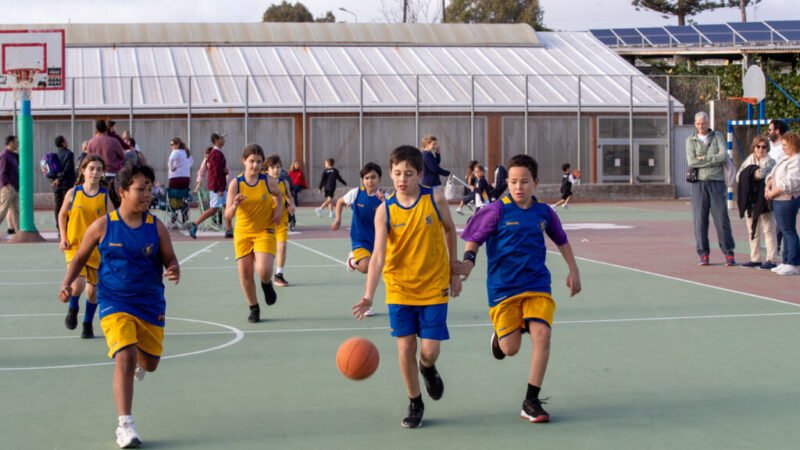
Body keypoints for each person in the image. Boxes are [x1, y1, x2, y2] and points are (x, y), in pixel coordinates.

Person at [58, 162, 180, 449]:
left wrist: (174, 269)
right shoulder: (103, 226)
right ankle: (125, 425)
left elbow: (170, 259)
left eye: (150, 189)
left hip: (149, 303)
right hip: (114, 301)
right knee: (124, 356)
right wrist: (66, 282)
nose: (148, 194)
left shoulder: (156, 227)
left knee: (149, 363)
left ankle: (141, 361)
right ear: (123, 191)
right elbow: (78, 258)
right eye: (141, 189)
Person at [459, 154, 582, 424]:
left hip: (537, 284)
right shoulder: (496, 211)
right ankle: (502, 336)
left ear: (535, 183)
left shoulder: (544, 213)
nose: (518, 187)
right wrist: (468, 263)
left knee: (542, 334)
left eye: (524, 182)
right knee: (511, 348)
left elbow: (561, 240)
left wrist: (574, 270)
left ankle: (531, 400)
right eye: (512, 182)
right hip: (504, 289)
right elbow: (474, 240)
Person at [352, 145, 461, 429]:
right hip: (399, 288)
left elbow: (450, 230)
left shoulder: (434, 198)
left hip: (434, 285)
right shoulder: (384, 211)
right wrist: (368, 294)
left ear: (420, 175)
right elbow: (377, 257)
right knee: (405, 348)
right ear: (390, 173)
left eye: (409, 174)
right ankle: (415, 401)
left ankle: (428, 367)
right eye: (397, 173)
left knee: (430, 350)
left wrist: (454, 271)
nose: (402, 179)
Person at [225, 144, 283, 323]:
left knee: (264, 270)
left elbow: (279, 196)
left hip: (264, 230)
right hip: (242, 233)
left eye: (259, 162)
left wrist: (278, 210)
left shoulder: (268, 181)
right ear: (244, 161)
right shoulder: (236, 183)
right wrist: (235, 205)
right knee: (245, 274)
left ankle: (266, 284)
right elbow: (227, 215)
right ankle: (254, 307)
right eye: (251, 161)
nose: (255, 165)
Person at [58, 154, 110, 339]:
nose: (95, 173)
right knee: (78, 284)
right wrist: (63, 237)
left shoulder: (105, 197)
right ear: (83, 171)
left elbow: (111, 221)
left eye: (99, 169)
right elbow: (62, 215)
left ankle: (87, 323)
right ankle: (73, 308)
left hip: (96, 250)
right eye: (92, 169)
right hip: (75, 246)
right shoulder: (73, 193)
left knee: (93, 292)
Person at [332, 162, 384, 316]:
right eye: (366, 178)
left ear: (379, 179)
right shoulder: (356, 193)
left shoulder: (385, 198)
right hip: (360, 240)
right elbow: (340, 202)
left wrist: (385, 203)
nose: (370, 181)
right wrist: (338, 219)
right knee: (368, 267)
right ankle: (367, 303)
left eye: (373, 177)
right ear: (362, 180)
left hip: (379, 242)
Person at [686, 111, 736, 266]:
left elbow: (723, 156)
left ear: (708, 123)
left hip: (716, 182)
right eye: (698, 123)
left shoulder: (718, 136)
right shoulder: (690, 140)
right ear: (695, 124)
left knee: (721, 219)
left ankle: (728, 252)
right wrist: (712, 161)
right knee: (699, 220)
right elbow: (692, 161)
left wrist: (704, 159)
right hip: (698, 184)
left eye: (704, 123)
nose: (701, 126)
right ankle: (703, 254)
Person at [735, 136, 778, 270]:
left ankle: (771, 259)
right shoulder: (749, 159)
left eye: (764, 147)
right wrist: (749, 174)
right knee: (752, 230)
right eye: (758, 146)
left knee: (769, 229)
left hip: (765, 200)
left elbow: (762, 174)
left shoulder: (771, 161)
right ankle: (755, 258)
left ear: (767, 148)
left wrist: (748, 174)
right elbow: (738, 176)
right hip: (750, 200)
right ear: (753, 147)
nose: (760, 149)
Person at [765, 131, 800, 276]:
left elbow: (791, 182)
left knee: (789, 231)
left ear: (793, 144)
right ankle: (786, 261)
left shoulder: (797, 160)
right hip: (778, 199)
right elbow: (773, 172)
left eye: (786, 145)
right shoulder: (785, 158)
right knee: (785, 231)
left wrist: (774, 192)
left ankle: (793, 263)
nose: (783, 147)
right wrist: (768, 183)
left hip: (787, 199)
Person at [191, 133, 232, 239]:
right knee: (213, 209)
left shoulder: (218, 153)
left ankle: (228, 229)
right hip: (216, 187)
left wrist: (225, 171)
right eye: (222, 138)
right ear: (216, 140)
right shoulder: (215, 154)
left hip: (219, 186)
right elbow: (216, 173)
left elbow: (218, 170)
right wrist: (220, 188)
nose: (224, 140)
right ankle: (195, 224)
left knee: (227, 206)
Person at [265, 155, 295, 287]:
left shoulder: (284, 182)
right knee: (267, 252)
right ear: (267, 169)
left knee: (282, 246)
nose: (276, 170)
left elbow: (289, 197)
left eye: (278, 167)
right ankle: (265, 274)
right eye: (273, 167)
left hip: (281, 219)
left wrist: (291, 205)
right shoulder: (263, 182)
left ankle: (279, 275)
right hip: (267, 220)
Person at [87, 119, 125, 208]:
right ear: (106, 128)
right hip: (113, 174)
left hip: (97, 175)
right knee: (115, 201)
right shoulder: (114, 141)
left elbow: (89, 159)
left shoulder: (91, 142)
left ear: (96, 129)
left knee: (98, 201)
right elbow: (122, 155)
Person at [51, 136, 77, 236]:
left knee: (58, 206)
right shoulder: (69, 154)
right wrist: (60, 179)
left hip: (57, 185)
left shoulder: (54, 155)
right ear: (63, 143)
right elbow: (68, 169)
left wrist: (55, 180)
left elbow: (50, 170)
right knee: (68, 205)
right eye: (65, 140)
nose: (67, 141)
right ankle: (67, 227)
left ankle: (59, 228)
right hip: (67, 184)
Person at [167, 138, 193, 227]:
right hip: (186, 178)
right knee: (184, 197)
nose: (171, 147)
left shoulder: (176, 152)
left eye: (172, 144)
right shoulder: (187, 152)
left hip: (175, 178)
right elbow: (191, 163)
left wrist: (172, 168)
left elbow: (171, 159)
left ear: (177, 144)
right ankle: (185, 219)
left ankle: (173, 219)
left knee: (172, 196)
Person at [0, 136, 20, 237]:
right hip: (8, 188)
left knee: (15, 210)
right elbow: (2, 172)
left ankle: (18, 231)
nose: (18, 144)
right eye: (16, 142)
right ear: (10, 143)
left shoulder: (14, 155)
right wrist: (6, 184)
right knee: (3, 210)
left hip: (15, 187)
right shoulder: (4, 156)